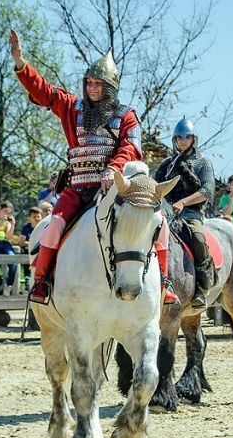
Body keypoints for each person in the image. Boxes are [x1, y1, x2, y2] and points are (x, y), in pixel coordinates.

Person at [11, 29, 153, 305]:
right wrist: (21, 64)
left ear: (110, 87)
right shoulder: (72, 108)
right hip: (77, 187)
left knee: (149, 221)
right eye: (89, 83)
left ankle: (162, 283)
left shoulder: (126, 116)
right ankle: (41, 282)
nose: (92, 88)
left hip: (113, 189)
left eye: (98, 84)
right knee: (53, 226)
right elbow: (45, 92)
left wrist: (113, 169)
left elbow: (130, 147)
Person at [155, 118, 216, 309]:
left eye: (187, 136)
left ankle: (201, 288)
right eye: (179, 137)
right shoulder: (166, 164)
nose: (183, 140)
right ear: (174, 139)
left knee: (197, 239)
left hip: (191, 214)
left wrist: (183, 202)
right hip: (167, 213)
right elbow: (157, 188)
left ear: (193, 138)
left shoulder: (203, 162)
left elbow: (206, 191)